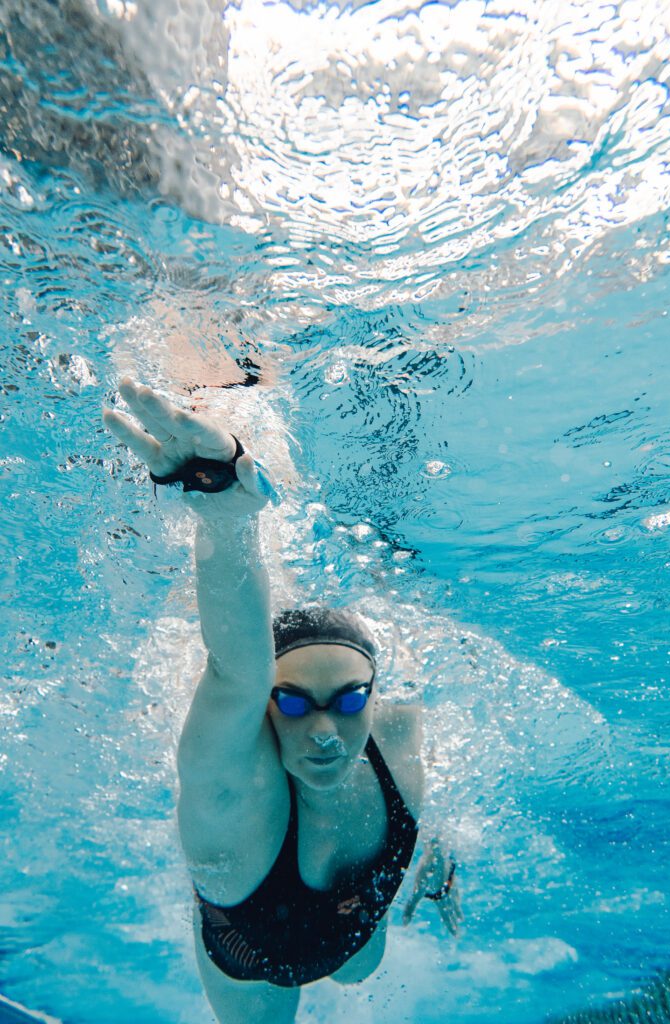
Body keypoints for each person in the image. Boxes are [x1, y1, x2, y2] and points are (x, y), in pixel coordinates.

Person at [103, 377, 460, 1024]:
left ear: (373, 697)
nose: (325, 731)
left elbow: (422, 816)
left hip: (350, 938)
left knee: (357, 969)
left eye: (349, 702)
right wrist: (224, 515)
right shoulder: (231, 787)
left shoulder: (399, 733)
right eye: (293, 704)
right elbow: (237, 668)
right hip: (250, 953)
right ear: (267, 707)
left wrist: (438, 865)